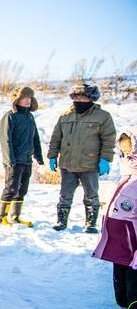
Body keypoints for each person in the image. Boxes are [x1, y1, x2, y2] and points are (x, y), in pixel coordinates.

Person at [48, 83, 116, 233]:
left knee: (91, 195)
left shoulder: (103, 116)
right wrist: (52, 156)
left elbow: (109, 139)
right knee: (65, 195)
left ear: (91, 98)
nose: (79, 100)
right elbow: (56, 138)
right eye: (76, 96)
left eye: (83, 97)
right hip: (67, 164)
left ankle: (90, 223)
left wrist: (105, 159)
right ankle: (61, 221)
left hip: (89, 165)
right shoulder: (65, 116)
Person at [92, 129, 137, 309]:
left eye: (131, 154)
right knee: (121, 284)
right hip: (121, 247)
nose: (127, 157)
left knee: (135, 286)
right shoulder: (127, 178)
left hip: (133, 249)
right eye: (124, 153)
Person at [0, 86, 44, 226]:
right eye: (25, 98)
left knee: (22, 189)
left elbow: (35, 137)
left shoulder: (29, 116)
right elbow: (5, 139)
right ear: (17, 100)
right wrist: (9, 159)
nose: (28, 100)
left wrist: (38, 155)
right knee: (11, 188)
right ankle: (1, 217)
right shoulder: (10, 116)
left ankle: (15, 216)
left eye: (30, 98)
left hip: (26, 159)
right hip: (14, 161)